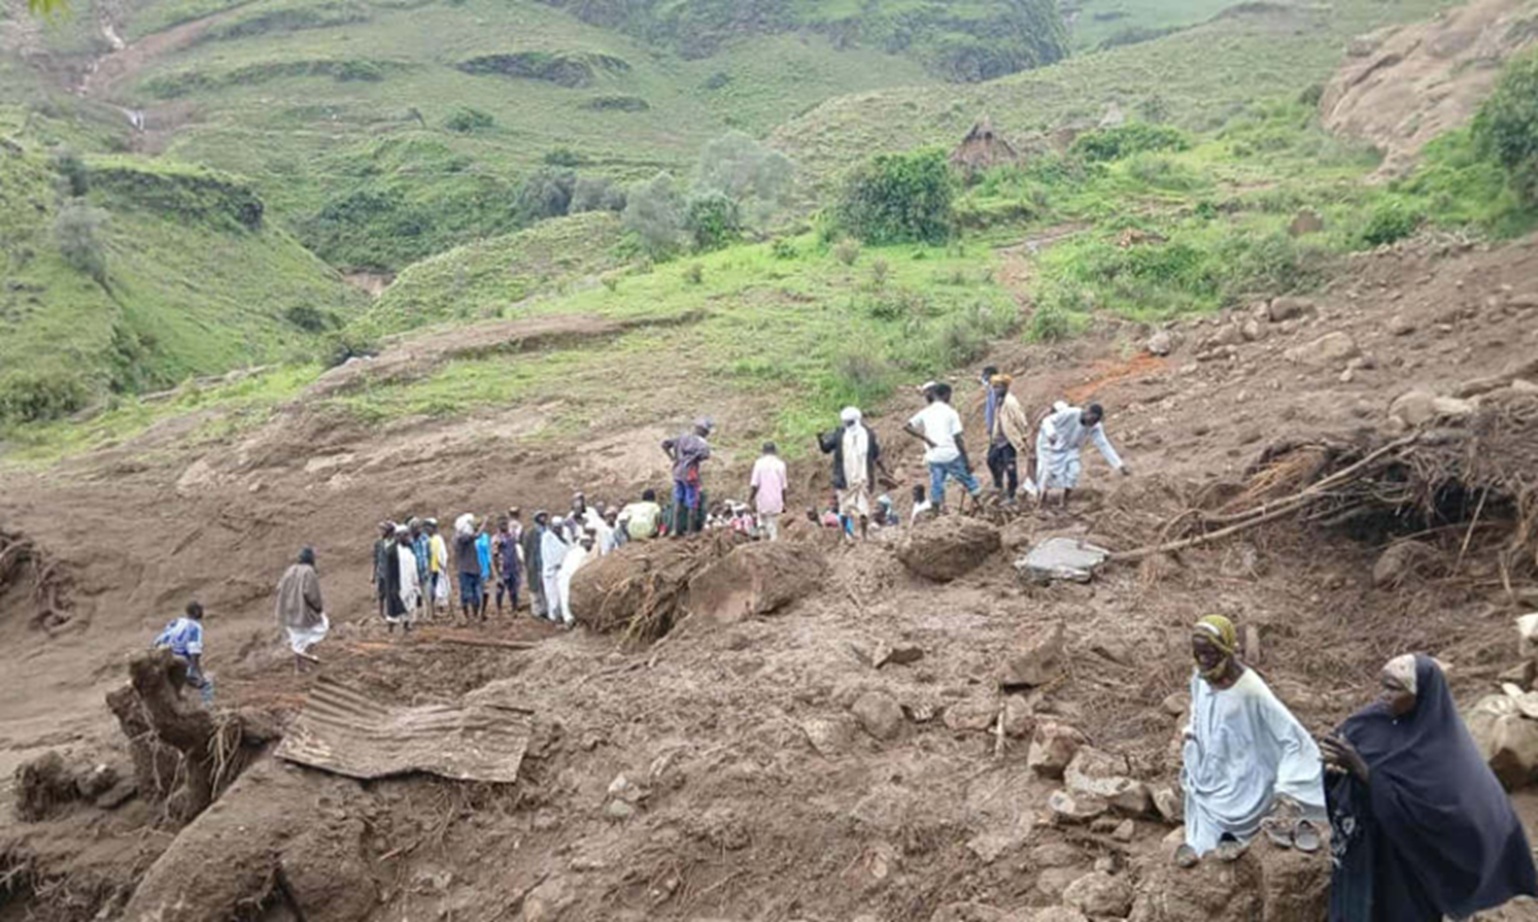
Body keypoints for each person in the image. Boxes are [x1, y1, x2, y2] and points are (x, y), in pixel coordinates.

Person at [1322, 654, 1538, 921]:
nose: (1383, 696)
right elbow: (1340, 748)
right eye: (1384, 686)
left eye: (1395, 689)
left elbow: (1444, 814)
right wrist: (1334, 769)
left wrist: (1362, 770)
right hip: (1365, 851)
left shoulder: (1445, 751)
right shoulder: (1372, 720)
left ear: (1421, 695)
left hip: (1408, 864)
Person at [1177, 615, 1325, 867]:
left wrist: (1287, 788)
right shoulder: (1200, 676)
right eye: (1198, 653)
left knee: (1236, 817)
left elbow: (1292, 738)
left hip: (1246, 781)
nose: (1203, 660)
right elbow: (1199, 709)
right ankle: (1205, 847)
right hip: (1212, 772)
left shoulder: (1250, 690)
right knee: (1203, 837)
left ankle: (1236, 837)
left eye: (1210, 653)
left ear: (1226, 649)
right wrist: (1193, 733)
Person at [904, 382, 982, 512]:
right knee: (968, 481)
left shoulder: (925, 412)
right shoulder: (951, 413)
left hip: (934, 456)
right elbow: (958, 439)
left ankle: (936, 513)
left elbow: (907, 426)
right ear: (946, 395)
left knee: (937, 484)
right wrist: (966, 462)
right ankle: (981, 506)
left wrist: (926, 439)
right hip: (951, 454)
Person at [1035, 401, 1129, 509]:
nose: (1092, 423)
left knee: (1074, 472)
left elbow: (1104, 445)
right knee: (1047, 474)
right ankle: (1041, 503)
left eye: (1095, 421)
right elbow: (1048, 420)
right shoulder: (1071, 413)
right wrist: (1051, 434)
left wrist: (1119, 465)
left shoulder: (1095, 427)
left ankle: (1064, 501)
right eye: (1092, 419)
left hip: (1071, 449)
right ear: (1087, 412)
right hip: (1051, 444)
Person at [819, 407, 889, 541]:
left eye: (849, 422)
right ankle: (854, 536)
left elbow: (875, 454)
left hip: (854, 478)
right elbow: (826, 449)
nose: (847, 425)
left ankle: (856, 535)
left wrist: (820, 439)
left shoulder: (857, 434)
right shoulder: (857, 434)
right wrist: (820, 440)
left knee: (854, 508)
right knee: (852, 508)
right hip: (853, 478)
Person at [275, 546, 328, 673]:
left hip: (287, 611)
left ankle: (299, 667)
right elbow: (311, 593)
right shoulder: (309, 572)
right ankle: (307, 654)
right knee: (320, 627)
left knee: (296, 637)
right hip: (302, 611)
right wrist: (318, 608)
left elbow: (279, 587)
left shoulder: (290, 570)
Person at [988, 374, 1038, 504]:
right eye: (994, 388)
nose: (995, 390)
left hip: (1009, 440)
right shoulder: (1000, 401)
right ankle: (999, 485)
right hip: (998, 439)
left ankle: (1011, 494)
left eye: (998, 387)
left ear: (1005, 387)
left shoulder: (1011, 402)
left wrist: (1024, 437)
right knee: (991, 460)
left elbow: (1021, 420)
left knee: (1010, 467)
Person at [662, 419, 713, 537]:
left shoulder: (682, 437)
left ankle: (675, 530)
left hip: (678, 473)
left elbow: (664, 444)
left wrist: (672, 458)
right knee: (692, 503)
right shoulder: (702, 443)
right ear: (704, 432)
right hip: (690, 475)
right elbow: (706, 455)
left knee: (678, 501)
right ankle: (690, 532)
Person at [153, 601, 212, 702]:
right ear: (196, 612)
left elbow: (162, 637)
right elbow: (194, 653)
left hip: (158, 653)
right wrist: (197, 673)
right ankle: (206, 706)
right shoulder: (195, 627)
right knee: (204, 684)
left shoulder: (176, 621)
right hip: (176, 659)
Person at [749, 442, 789, 542]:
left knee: (762, 524)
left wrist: (750, 498)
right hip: (776, 500)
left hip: (762, 499)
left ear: (763, 451)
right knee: (773, 526)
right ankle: (772, 545)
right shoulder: (780, 464)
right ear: (775, 451)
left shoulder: (759, 463)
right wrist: (784, 502)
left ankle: (763, 543)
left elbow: (754, 484)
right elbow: (783, 486)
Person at [554, 531, 595, 628]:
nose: (589, 544)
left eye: (590, 542)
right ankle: (568, 620)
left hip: (566, 577)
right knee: (565, 598)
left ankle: (565, 618)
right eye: (587, 542)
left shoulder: (575, 552)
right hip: (567, 577)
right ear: (582, 542)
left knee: (565, 598)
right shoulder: (581, 553)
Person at [540, 517, 570, 624]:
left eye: (560, 527)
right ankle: (553, 617)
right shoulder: (547, 537)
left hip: (563, 570)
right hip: (551, 571)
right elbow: (547, 554)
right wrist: (555, 564)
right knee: (552, 595)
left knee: (563, 593)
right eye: (556, 527)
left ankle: (563, 615)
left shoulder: (566, 534)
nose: (558, 529)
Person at [452, 515, 482, 623]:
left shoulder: (462, 537)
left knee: (476, 596)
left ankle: (472, 616)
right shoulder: (461, 538)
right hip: (466, 570)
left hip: (471, 569)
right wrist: (482, 526)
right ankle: (469, 617)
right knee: (467, 595)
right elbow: (475, 535)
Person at [391, 525, 420, 633]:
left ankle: (407, 625)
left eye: (408, 535)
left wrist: (416, 584)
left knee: (410, 605)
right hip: (399, 584)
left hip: (410, 584)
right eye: (405, 535)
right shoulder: (394, 553)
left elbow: (413, 570)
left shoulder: (409, 552)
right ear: (398, 537)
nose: (408, 538)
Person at [493, 516, 522, 615]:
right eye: (502, 524)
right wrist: (497, 571)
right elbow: (494, 555)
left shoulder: (511, 536)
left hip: (513, 566)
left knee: (514, 589)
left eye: (505, 524)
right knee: (500, 589)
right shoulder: (496, 538)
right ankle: (499, 609)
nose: (504, 526)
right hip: (503, 566)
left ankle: (514, 608)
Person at [523, 511, 549, 619]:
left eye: (544, 516)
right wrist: (528, 563)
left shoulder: (548, 531)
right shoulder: (531, 533)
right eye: (541, 517)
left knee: (546, 588)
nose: (543, 518)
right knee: (535, 589)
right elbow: (526, 550)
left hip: (546, 563)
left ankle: (545, 610)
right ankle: (536, 611)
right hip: (534, 564)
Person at [425, 518, 449, 618]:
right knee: (432, 590)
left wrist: (442, 564)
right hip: (430, 568)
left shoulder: (438, 539)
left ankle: (441, 609)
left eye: (429, 527)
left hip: (438, 568)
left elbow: (442, 554)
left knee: (440, 588)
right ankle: (433, 611)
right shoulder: (427, 539)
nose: (427, 529)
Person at [372, 521, 395, 622]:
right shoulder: (378, 543)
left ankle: (391, 612)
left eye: (383, 530)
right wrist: (374, 574)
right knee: (381, 594)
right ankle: (381, 613)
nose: (381, 532)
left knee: (391, 593)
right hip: (381, 572)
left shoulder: (393, 543)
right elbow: (376, 559)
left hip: (390, 572)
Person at [408, 518, 430, 616]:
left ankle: (427, 616)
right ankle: (415, 617)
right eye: (416, 528)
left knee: (427, 595)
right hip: (413, 574)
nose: (419, 529)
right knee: (414, 596)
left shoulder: (425, 538)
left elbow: (429, 553)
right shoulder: (409, 542)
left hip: (424, 571)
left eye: (419, 527)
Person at [474, 518, 493, 619]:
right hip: (474, 567)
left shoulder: (486, 537)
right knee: (476, 591)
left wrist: (490, 567)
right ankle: (476, 612)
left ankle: (483, 611)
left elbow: (488, 552)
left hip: (484, 566)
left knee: (485, 590)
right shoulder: (472, 538)